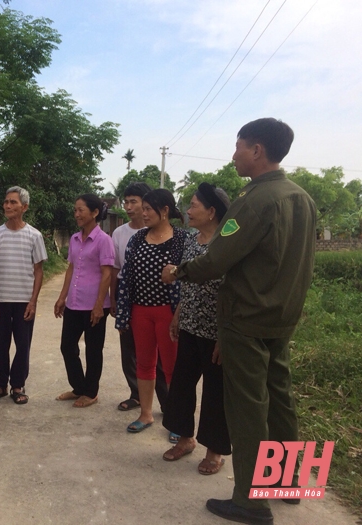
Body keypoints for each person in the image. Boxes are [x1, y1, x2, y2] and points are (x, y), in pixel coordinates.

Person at [162, 118, 316, 525]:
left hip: (245, 318)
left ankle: (250, 502)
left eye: (239, 147)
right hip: (281, 317)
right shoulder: (301, 197)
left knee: (247, 407)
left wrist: (179, 272)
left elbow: (218, 258)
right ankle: (288, 483)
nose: (234, 155)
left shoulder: (255, 200)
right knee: (280, 399)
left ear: (258, 150)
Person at [161, 183, 232, 475]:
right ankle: (185, 439)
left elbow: (233, 291)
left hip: (216, 332)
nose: (188, 211)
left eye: (193, 206)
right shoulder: (191, 241)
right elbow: (187, 283)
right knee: (181, 386)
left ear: (212, 211)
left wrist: (226, 334)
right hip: (189, 325)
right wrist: (178, 315)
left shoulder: (228, 245)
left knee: (215, 393)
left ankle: (214, 451)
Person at [115, 189, 187, 433]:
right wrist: (124, 311)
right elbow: (126, 277)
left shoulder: (182, 239)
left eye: (148, 209)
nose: (143, 213)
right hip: (140, 311)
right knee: (144, 364)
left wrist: (180, 312)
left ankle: (177, 421)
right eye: (142, 208)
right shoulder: (138, 239)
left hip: (169, 312)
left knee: (173, 368)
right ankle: (146, 414)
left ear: (165, 211)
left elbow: (189, 279)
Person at [0, 186, 47, 405]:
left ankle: (18, 385)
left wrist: (33, 301)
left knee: (23, 345)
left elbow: (38, 270)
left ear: (24, 207)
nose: (8, 206)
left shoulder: (34, 235)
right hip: (0, 300)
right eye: (6, 202)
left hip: (23, 302)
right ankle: (0, 385)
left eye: (13, 202)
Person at [110, 183, 169, 413]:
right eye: (126, 202)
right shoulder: (120, 233)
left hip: (157, 298)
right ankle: (137, 395)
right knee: (130, 349)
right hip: (128, 294)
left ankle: (166, 402)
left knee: (161, 355)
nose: (129, 207)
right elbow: (116, 268)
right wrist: (114, 299)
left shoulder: (168, 235)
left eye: (134, 201)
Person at [54, 194, 113, 408]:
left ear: (95, 212)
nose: (76, 214)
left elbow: (107, 273)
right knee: (67, 346)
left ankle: (91, 392)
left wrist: (99, 305)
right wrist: (62, 297)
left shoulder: (104, 240)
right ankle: (78, 387)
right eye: (75, 210)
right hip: (74, 304)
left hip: (94, 306)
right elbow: (71, 268)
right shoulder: (74, 238)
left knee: (93, 350)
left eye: (81, 210)